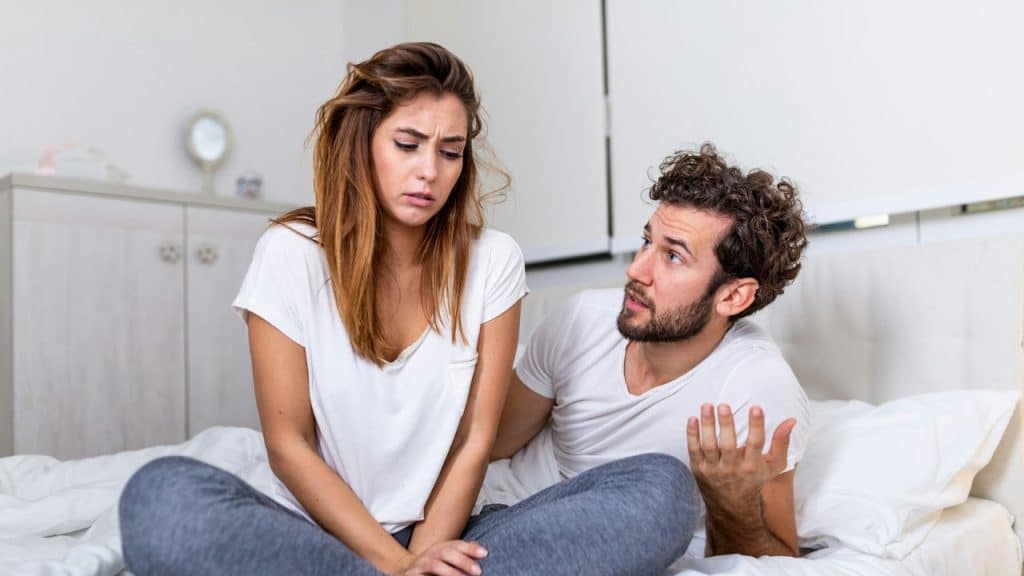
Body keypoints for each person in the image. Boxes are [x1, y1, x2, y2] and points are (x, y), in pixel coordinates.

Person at [118, 42, 695, 576]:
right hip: (319, 536)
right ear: (363, 140)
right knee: (162, 498)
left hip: (453, 537)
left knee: (661, 489)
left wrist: (423, 559)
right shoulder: (289, 253)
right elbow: (287, 444)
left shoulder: (494, 260)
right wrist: (392, 567)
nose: (430, 172)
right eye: (407, 144)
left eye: (450, 152)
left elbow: (474, 438)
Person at [488, 143, 811, 559]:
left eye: (673, 256)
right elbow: (486, 445)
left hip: (605, 547)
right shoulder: (581, 320)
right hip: (497, 520)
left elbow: (777, 561)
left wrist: (731, 502)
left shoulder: (754, 388)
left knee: (663, 488)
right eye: (646, 242)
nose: (637, 270)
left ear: (733, 297)